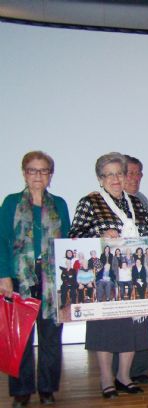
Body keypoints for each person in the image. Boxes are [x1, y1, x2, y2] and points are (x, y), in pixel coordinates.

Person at [69, 152, 148, 399]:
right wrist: (98, 237)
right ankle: (107, 378)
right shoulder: (90, 202)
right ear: (100, 179)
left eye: (119, 173)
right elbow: (74, 236)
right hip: (105, 277)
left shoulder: (136, 203)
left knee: (132, 327)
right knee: (106, 328)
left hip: (136, 277)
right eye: (109, 174)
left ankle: (124, 376)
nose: (116, 178)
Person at [0, 151, 70, 407]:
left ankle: (48, 389)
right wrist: (3, 275)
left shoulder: (59, 204)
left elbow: (67, 244)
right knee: (20, 338)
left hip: (52, 281)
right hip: (20, 279)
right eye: (32, 170)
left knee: (51, 337)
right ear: (24, 173)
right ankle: (21, 391)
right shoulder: (11, 203)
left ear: (50, 175)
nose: (38, 175)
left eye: (43, 171)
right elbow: (2, 240)